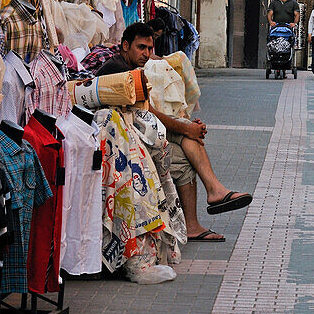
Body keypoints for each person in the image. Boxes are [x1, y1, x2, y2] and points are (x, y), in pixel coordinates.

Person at [97, 23, 252, 243]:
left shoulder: (133, 67)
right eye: (141, 47)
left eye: (150, 48)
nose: (147, 54)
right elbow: (148, 111)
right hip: (123, 139)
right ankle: (205, 206)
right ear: (125, 45)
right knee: (184, 150)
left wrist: (187, 126)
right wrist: (186, 127)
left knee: (188, 136)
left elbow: (147, 113)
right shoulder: (120, 70)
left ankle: (213, 194)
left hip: (138, 129)